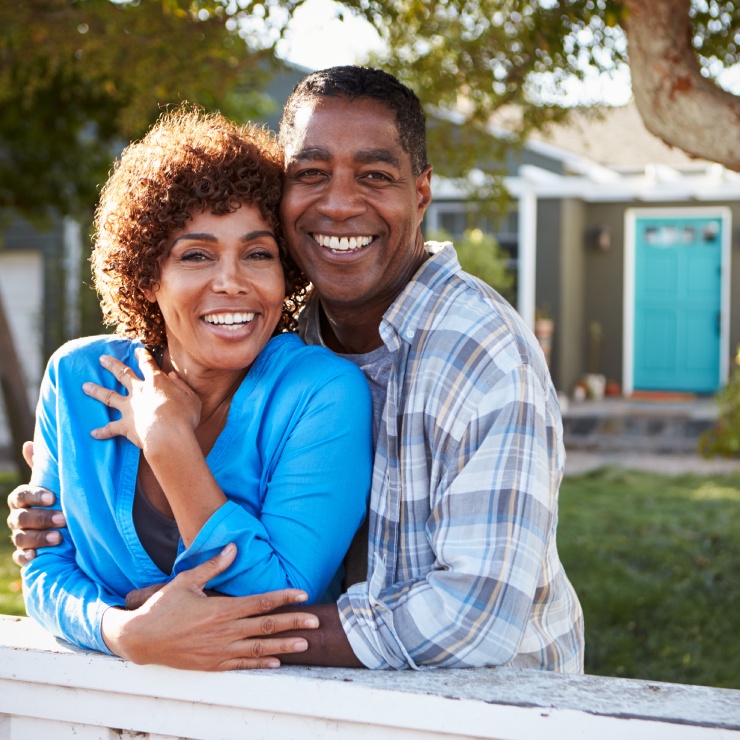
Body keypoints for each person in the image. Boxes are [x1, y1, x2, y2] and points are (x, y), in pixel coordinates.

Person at [9, 66, 584, 672]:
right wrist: (123, 630)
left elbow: (476, 618)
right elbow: (48, 564)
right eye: (310, 174)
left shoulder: (480, 355)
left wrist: (204, 629)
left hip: (499, 705)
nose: (337, 203)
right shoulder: (296, 331)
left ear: (420, 194)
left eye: (375, 175)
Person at [16, 106, 372, 665]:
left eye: (258, 253)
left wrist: (167, 440)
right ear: (147, 274)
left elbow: (279, 599)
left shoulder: (321, 393)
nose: (231, 282)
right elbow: (43, 569)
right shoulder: (77, 379)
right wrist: (122, 630)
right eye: (196, 255)